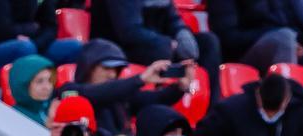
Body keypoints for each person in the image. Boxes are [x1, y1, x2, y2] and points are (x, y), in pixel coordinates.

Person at [59, 40, 192, 136]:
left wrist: (179, 88)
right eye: (106, 68)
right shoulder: (70, 90)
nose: (112, 75)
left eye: (117, 70)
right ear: (89, 67)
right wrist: (140, 79)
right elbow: (99, 94)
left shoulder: (120, 97)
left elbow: (154, 99)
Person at [89, 0, 222, 91]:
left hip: (156, 46)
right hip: (118, 49)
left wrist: (182, 34)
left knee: (208, 43)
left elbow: (173, 19)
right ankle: (161, 103)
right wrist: (169, 43)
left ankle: (210, 111)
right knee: (161, 49)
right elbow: (129, 31)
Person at [0, 0, 83, 75]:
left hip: (28, 44)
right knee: (24, 49)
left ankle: (57, 102)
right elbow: (0, 30)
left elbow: (50, 27)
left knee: (73, 47)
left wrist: (36, 43)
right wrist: (33, 28)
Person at [206, 0, 301, 73]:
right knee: (284, 39)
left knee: (299, 41)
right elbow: (227, 38)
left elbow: (289, 21)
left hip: (286, 41)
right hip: (241, 54)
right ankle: (289, 95)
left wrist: (300, 41)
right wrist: (271, 33)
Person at [8, 55, 57, 125]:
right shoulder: (15, 118)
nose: (47, 87)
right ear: (23, 86)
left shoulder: (51, 109)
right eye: (39, 81)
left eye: (50, 80)